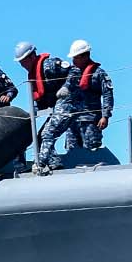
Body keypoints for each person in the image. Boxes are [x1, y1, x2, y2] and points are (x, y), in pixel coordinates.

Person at [37, 39, 113, 170]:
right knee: (72, 151)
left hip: (89, 120)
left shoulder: (99, 74)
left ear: (85, 56)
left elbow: (107, 94)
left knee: (91, 149)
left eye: (76, 58)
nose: (73, 61)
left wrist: (105, 116)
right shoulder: (71, 74)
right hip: (72, 121)